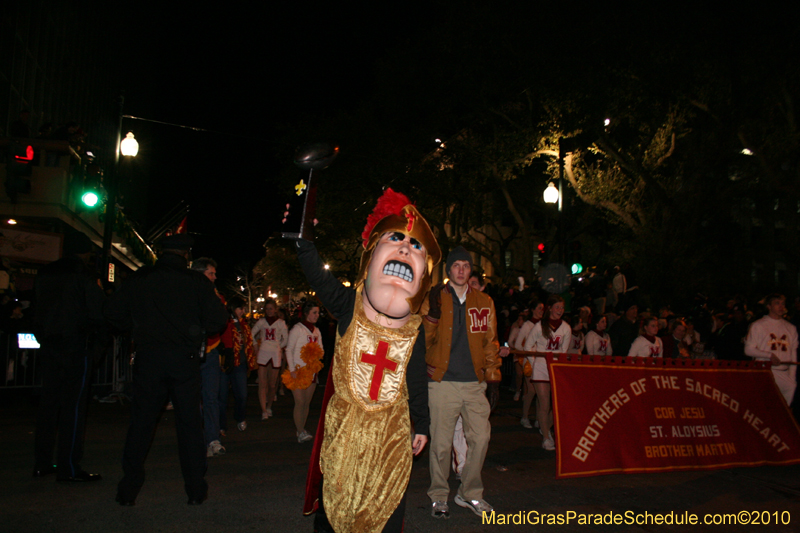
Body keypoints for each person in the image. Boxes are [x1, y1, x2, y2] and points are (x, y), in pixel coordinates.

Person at [295, 189, 438, 533]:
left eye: (416, 245)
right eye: (396, 239)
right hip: (346, 429)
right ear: (370, 259)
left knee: (385, 509)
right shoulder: (348, 307)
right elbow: (317, 275)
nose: (405, 248)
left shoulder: (415, 330)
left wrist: (423, 424)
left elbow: (415, 380)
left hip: (392, 435)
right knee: (335, 506)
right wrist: (303, 240)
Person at [105, 234, 228, 506]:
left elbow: (113, 313)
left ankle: (129, 488)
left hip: (149, 357)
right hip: (184, 360)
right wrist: (193, 327)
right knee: (189, 425)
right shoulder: (196, 282)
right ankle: (195, 488)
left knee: (141, 423)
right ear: (186, 255)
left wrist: (138, 326)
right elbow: (218, 320)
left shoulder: (140, 278)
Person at [426, 245, 506, 519]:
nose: (461, 270)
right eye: (456, 265)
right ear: (449, 270)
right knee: (440, 444)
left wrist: (494, 378)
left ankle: (469, 493)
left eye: (466, 266)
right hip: (442, 381)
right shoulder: (434, 297)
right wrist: (432, 315)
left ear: (471, 270)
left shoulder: (484, 302)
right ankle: (439, 496)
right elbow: (422, 342)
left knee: (481, 438)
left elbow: (490, 343)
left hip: (474, 382)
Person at [33, 232, 105, 482]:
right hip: (75, 345)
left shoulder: (45, 273)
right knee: (73, 407)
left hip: (50, 344)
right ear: (84, 252)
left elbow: (37, 311)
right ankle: (69, 466)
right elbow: (97, 312)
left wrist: (43, 336)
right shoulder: (84, 275)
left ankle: (42, 462)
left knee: (48, 404)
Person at [523, 294, 571, 451]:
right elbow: (527, 346)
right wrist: (534, 363)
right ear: (550, 308)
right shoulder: (539, 326)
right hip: (541, 368)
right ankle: (545, 437)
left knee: (555, 405)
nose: (560, 310)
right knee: (544, 404)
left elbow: (563, 352)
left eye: (562, 308)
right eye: (557, 307)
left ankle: (545, 428)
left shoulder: (566, 328)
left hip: (555, 369)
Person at [189, 257, 226, 457]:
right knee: (192, 400)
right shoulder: (184, 294)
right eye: (211, 273)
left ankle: (213, 439)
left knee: (211, 398)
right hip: (190, 354)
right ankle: (196, 441)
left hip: (210, 353)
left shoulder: (215, 296)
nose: (214, 277)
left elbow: (220, 321)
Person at [745, 294, 798, 405]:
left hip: (783, 373)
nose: (781, 306)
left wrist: (791, 378)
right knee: (765, 407)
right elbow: (748, 350)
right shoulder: (758, 325)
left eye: (783, 303)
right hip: (765, 371)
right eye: (777, 303)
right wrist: (769, 356)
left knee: (783, 408)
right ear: (769, 306)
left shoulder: (791, 328)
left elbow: (793, 353)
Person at [284, 301, 323, 443]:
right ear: (306, 313)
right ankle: (300, 431)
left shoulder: (317, 331)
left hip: (312, 372)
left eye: (318, 313)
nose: (317, 315)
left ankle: (301, 429)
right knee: (299, 402)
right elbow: (289, 349)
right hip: (298, 372)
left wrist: (316, 356)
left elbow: (322, 350)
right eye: (314, 312)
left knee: (306, 403)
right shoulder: (297, 329)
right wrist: (292, 368)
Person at [219, 297, 256, 434]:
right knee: (222, 397)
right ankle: (221, 425)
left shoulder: (244, 325)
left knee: (242, 395)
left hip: (240, 364)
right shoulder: (225, 323)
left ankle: (240, 417)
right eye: (240, 308)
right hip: (226, 365)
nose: (243, 311)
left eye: (244, 308)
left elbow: (249, 344)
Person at [251, 299, 288, 420]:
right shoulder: (261, 322)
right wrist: (256, 345)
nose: (269, 311)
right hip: (263, 352)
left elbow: (286, 339)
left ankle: (269, 406)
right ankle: (263, 410)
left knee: (272, 384)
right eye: (267, 309)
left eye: (271, 308)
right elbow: (251, 333)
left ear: (275, 309)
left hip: (275, 353)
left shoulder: (281, 323)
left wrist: (278, 347)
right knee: (262, 383)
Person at [513, 300, 543, 429]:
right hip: (530, 362)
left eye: (543, 308)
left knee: (541, 392)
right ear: (533, 309)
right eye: (539, 308)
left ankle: (538, 418)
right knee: (531, 391)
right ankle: (524, 417)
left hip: (541, 362)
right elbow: (518, 344)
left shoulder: (544, 325)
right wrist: (528, 353)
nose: (542, 311)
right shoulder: (527, 325)